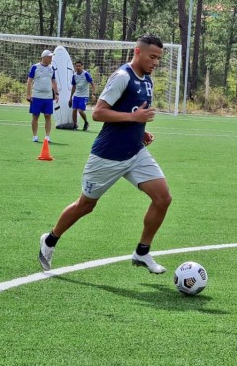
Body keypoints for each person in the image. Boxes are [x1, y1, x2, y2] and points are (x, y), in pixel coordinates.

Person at [38, 34, 171, 274]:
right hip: (107, 156)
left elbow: (131, 111)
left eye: (159, 58)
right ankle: (50, 239)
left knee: (163, 198)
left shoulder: (147, 80)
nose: (156, 62)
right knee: (85, 205)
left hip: (135, 153)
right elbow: (99, 113)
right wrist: (134, 119)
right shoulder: (121, 77)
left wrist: (140, 130)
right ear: (137, 52)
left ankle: (142, 252)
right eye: (152, 57)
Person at [26, 49, 59, 142]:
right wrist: (28, 94)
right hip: (36, 96)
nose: (51, 59)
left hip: (48, 97)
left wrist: (56, 93)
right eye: (49, 57)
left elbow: (53, 81)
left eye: (51, 57)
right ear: (43, 57)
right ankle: (35, 136)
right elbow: (29, 81)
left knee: (48, 116)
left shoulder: (51, 68)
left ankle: (47, 136)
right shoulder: (35, 67)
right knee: (35, 116)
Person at [68, 61, 96, 131]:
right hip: (76, 95)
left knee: (80, 111)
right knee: (74, 110)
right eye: (76, 66)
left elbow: (92, 84)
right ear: (75, 67)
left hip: (84, 96)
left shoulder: (86, 74)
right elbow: (74, 87)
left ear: (82, 66)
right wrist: (70, 98)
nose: (78, 67)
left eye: (79, 66)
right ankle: (75, 125)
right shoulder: (74, 75)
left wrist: (93, 94)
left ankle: (86, 122)